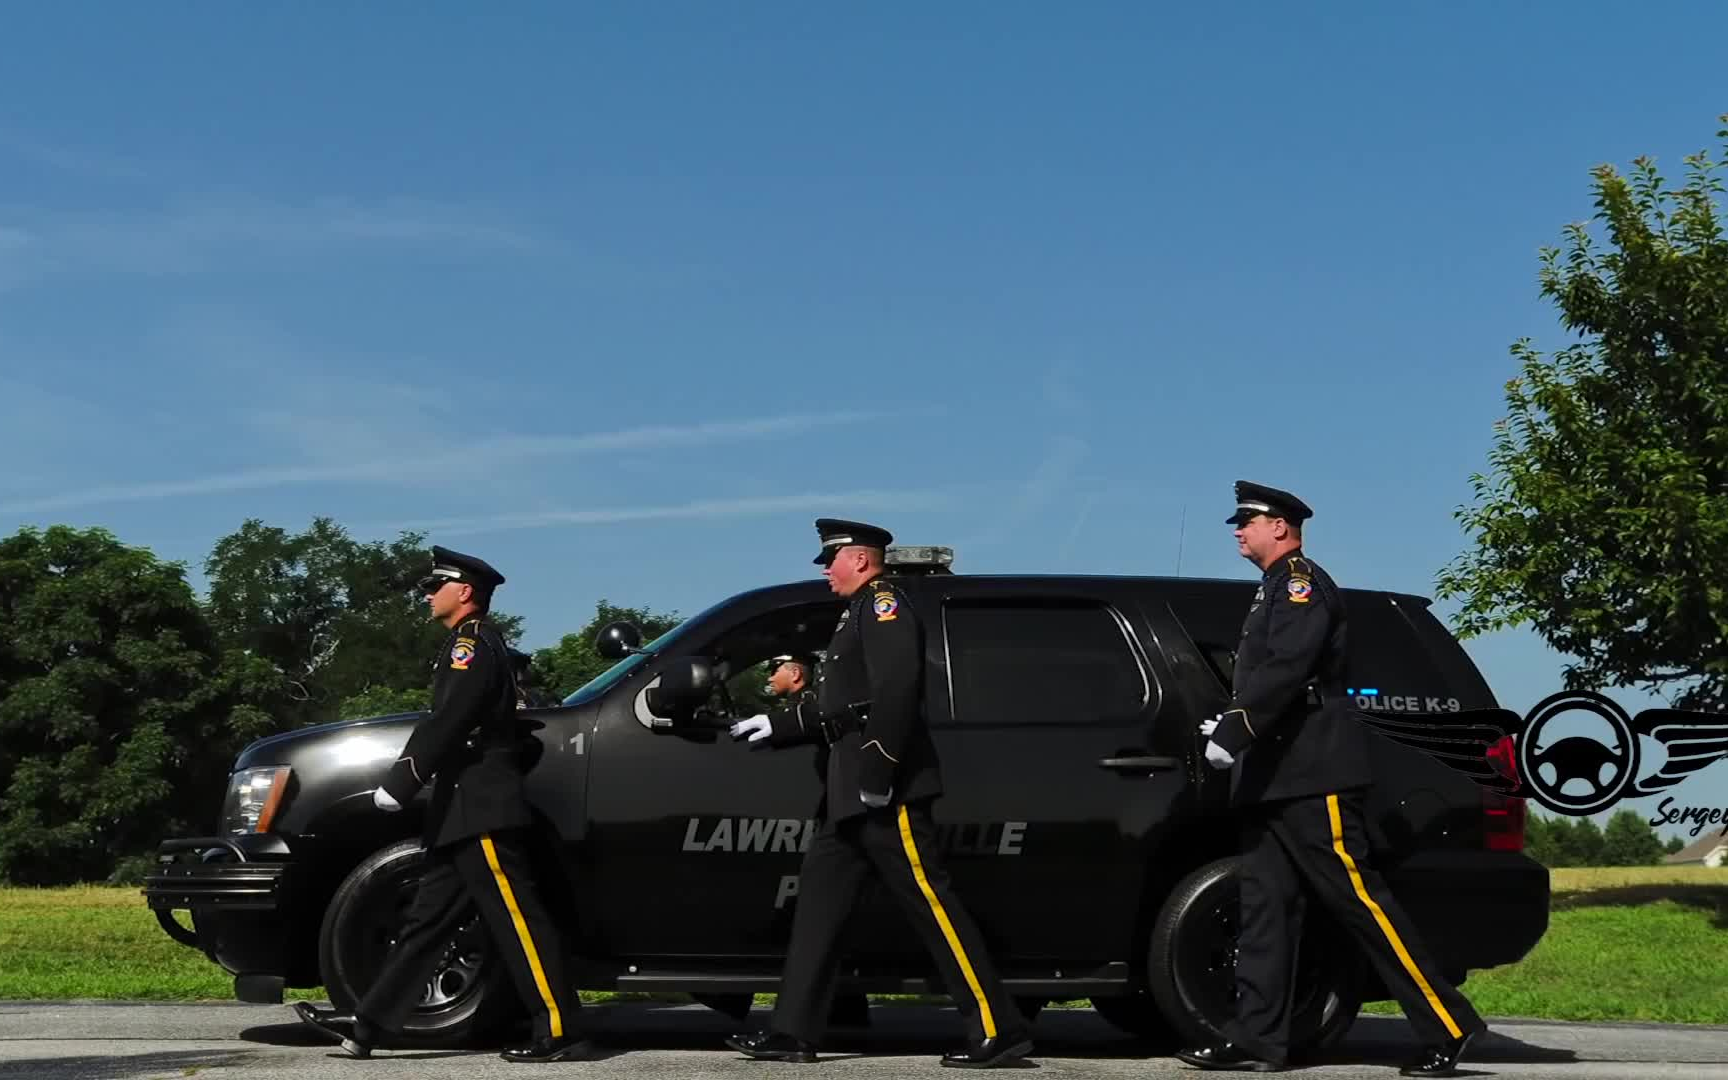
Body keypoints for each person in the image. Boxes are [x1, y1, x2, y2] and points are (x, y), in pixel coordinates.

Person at [1175, 483, 1484, 1077]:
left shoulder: (1300, 583)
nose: (1238, 531)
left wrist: (1237, 728)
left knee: (1360, 901)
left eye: (1248, 521)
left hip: (1313, 773)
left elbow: (1291, 667)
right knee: (1265, 909)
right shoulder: (1269, 590)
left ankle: (1448, 1024)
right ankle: (1258, 1037)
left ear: (1282, 527)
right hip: (1273, 777)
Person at [723, 519, 1033, 1069]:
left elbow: (896, 687)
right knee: (818, 908)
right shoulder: (855, 613)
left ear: (860, 560)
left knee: (932, 904)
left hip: (883, 789)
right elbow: (839, 706)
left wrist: (880, 771)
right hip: (846, 794)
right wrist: (779, 725)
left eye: (830, 558)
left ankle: (996, 1026)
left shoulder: (884, 603)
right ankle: (791, 1030)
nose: (823, 569)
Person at [295, 546, 589, 1064]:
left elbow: (452, 719)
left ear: (465, 592)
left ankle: (561, 1027)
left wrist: (402, 780)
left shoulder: (472, 646)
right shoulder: (465, 644)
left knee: (518, 920)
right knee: (426, 923)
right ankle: (368, 1024)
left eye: (436, 587)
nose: (429, 596)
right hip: (461, 808)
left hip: (481, 804)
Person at [731, 652, 874, 1031]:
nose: (769, 676)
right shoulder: (803, 705)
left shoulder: (813, 705)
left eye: (774, 669)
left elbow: (818, 727)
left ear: (795, 673)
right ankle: (825, 1015)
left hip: (840, 811)